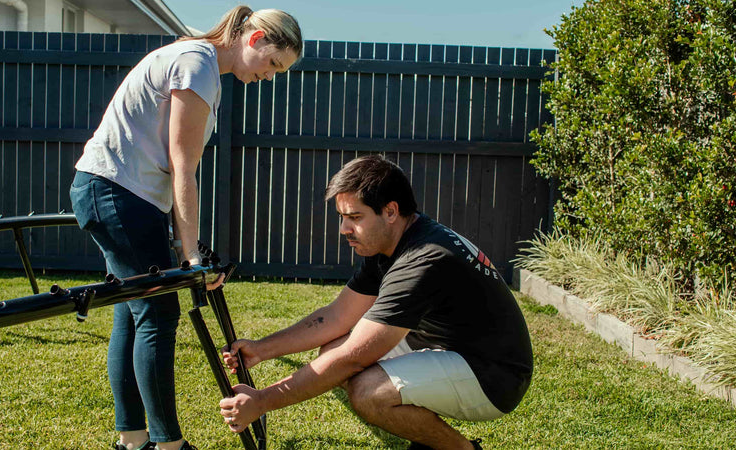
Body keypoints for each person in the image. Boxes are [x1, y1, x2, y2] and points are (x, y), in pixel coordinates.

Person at [68, 6, 303, 450]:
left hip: (116, 191)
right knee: (157, 314)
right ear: (253, 40)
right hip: (119, 194)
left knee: (132, 314)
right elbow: (183, 166)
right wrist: (190, 254)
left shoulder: (195, 59)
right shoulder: (198, 64)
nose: (271, 77)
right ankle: (167, 446)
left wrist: (182, 243)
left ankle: (133, 442)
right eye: (274, 64)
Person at [219, 155, 533, 450]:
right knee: (333, 348)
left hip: (493, 376)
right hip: (450, 346)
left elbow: (353, 359)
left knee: (368, 392)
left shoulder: (423, 259)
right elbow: (337, 316)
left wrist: (262, 401)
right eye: (342, 217)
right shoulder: (389, 240)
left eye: (355, 217)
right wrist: (261, 349)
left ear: (391, 211)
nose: (344, 229)